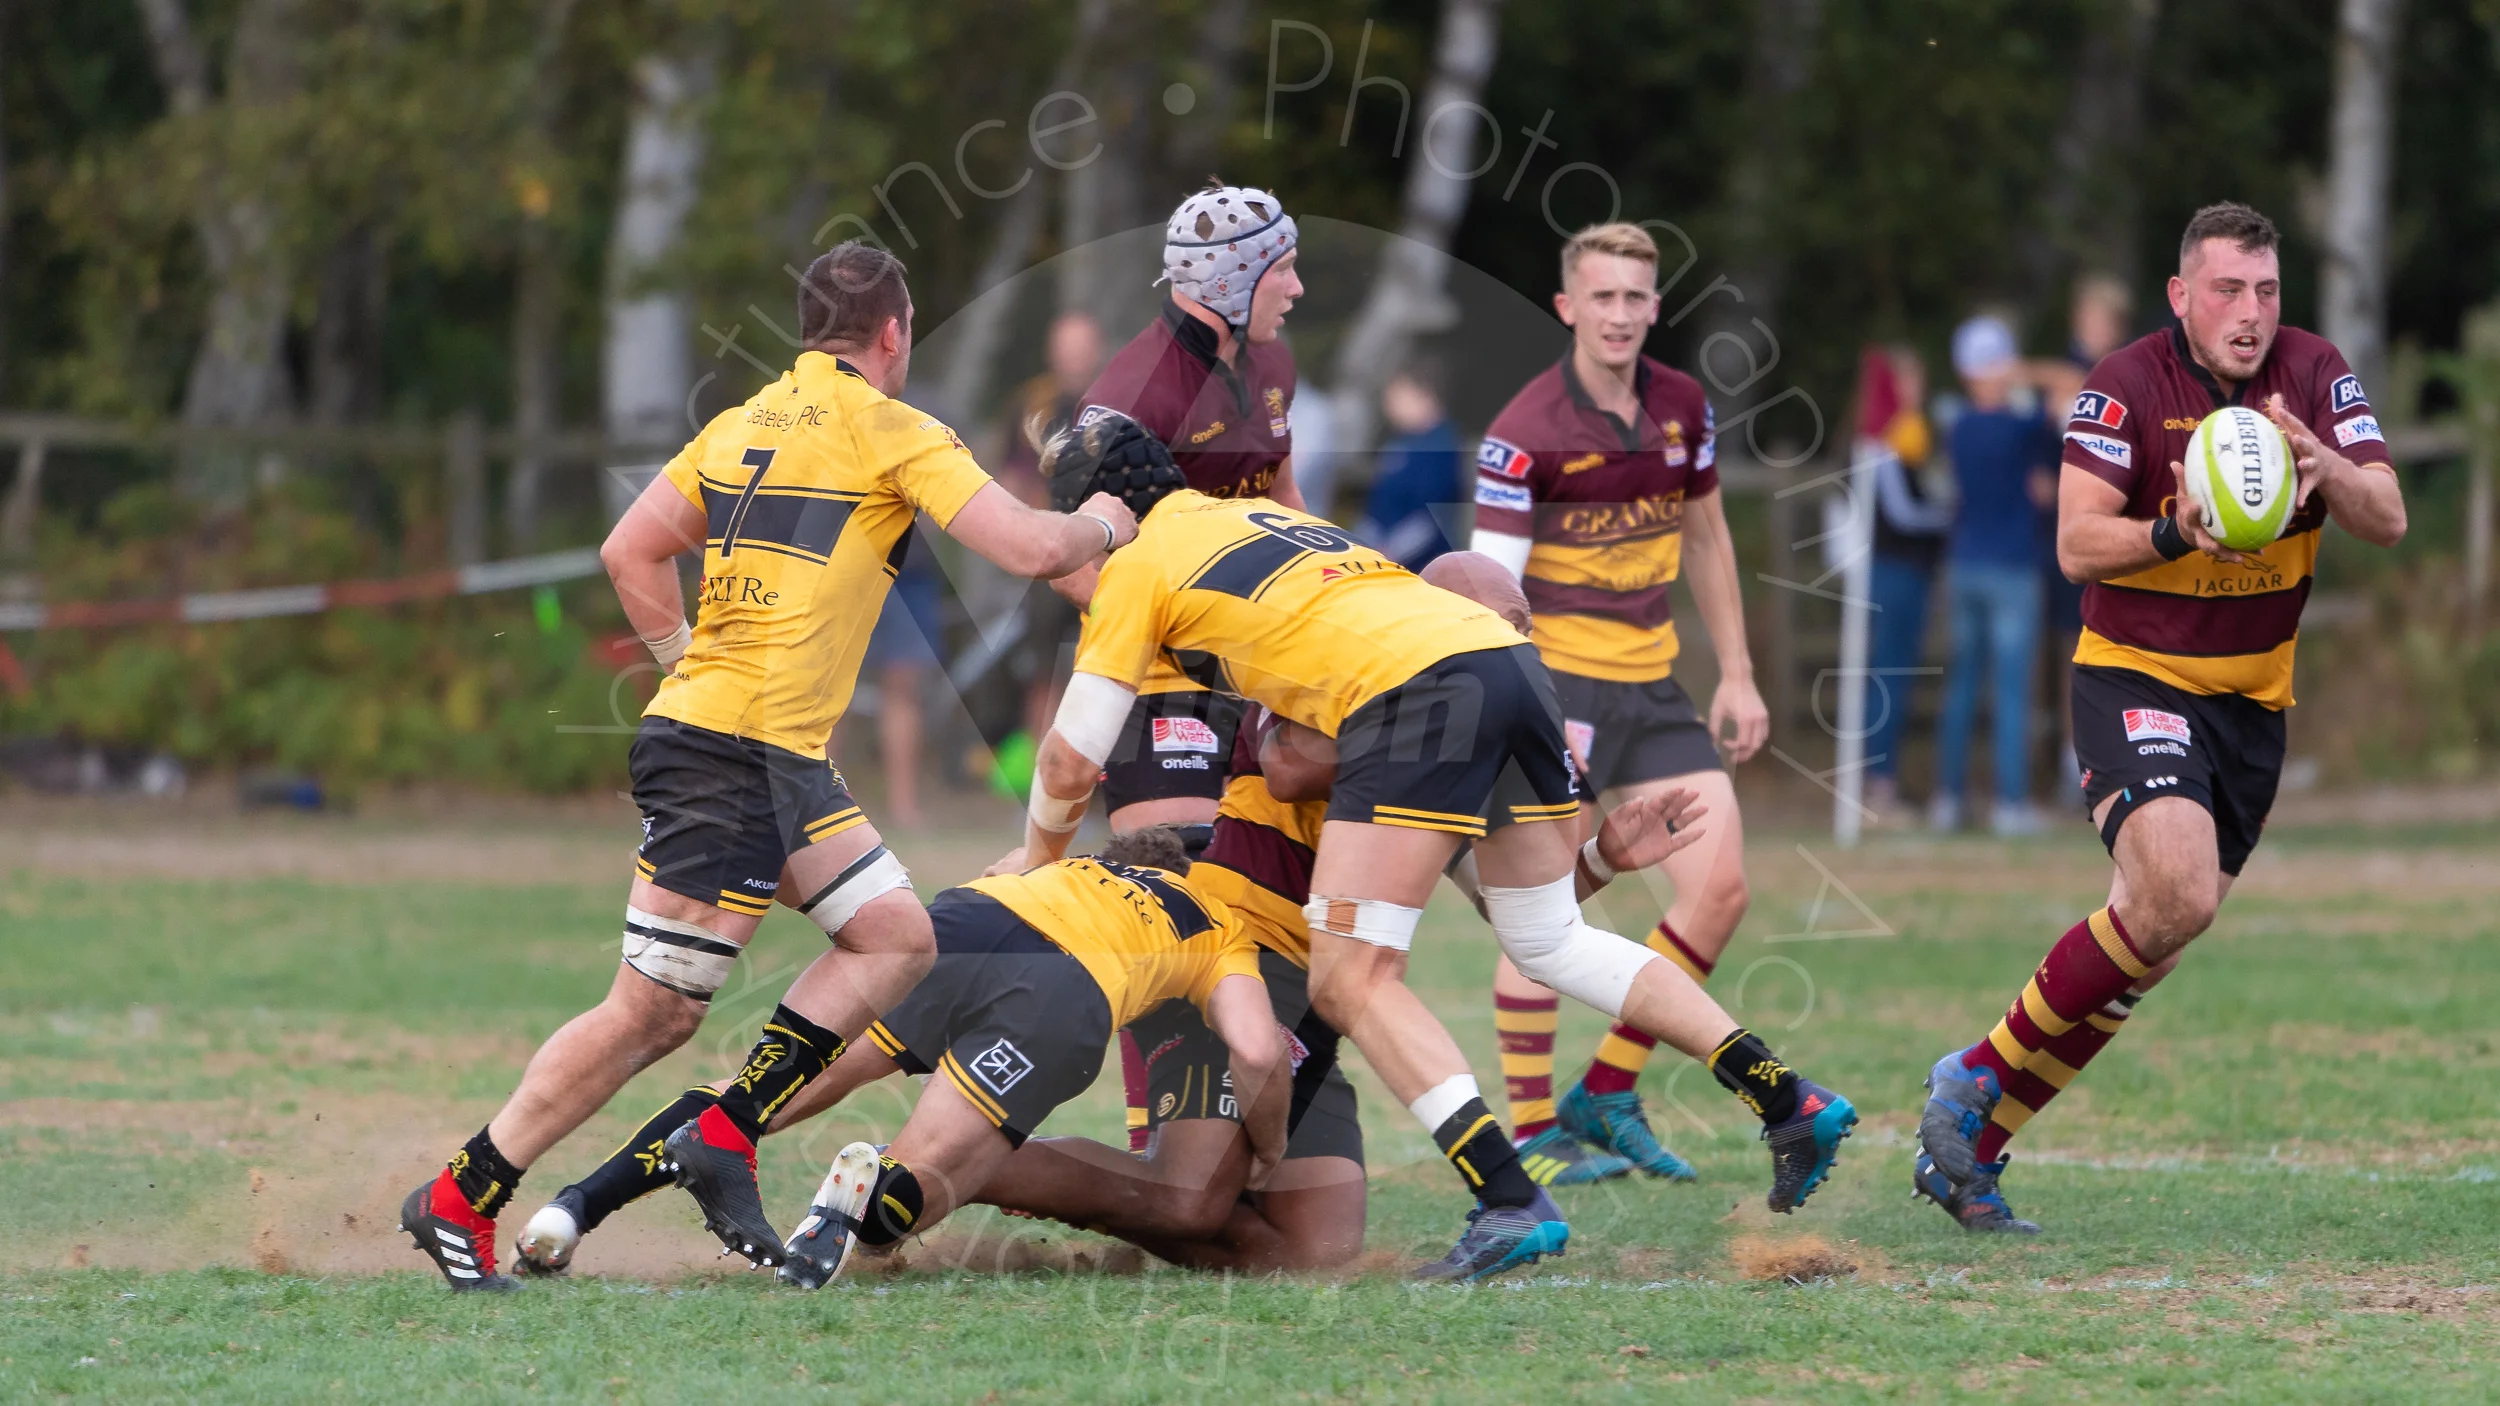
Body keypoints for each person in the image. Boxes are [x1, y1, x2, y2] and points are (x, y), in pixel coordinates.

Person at [398, 242, 1141, 1291]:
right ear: (895, 333)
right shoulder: (892, 428)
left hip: (765, 750)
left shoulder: (740, 421)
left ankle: (725, 1128)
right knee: (652, 1011)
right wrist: (1109, 518)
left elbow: (629, 550)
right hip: (731, 753)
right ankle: (461, 1192)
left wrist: (686, 665)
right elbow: (1029, 547)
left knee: (895, 937)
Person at [1010, 416, 1857, 1280]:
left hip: (1416, 695)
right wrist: (1597, 858)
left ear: (1098, 515)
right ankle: (1784, 1097)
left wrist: (1036, 857)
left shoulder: (1142, 563)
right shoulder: (1268, 525)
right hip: (1510, 671)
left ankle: (1508, 1197)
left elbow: (1074, 757)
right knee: (1550, 938)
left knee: (1350, 978)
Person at [1914, 202, 2405, 1233]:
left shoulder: (2316, 372)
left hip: (2252, 705)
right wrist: (2172, 531)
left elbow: (2388, 516)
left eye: (2266, 290)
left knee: (2154, 943)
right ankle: (1975, 1070)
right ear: (2182, 295)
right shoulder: (2124, 383)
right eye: (2228, 290)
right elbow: (2076, 545)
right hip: (2134, 678)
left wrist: (2326, 463)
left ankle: (1971, 1156)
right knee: (2175, 894)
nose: (2251, 312)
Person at [1467, 222, 1769, 1189]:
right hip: (1559, 691)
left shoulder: (1682, 406)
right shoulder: (1524, 430)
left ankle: (1604, 1089)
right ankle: (1531, 1134)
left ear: (1654, 306)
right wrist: (1520, 704)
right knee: (1547, 904)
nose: (1621, 314)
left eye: (1637, 296)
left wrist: (1737, 672)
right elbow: (1487, 590)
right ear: (1567, 307)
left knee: (1720, 890)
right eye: (1602, 296)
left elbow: (1709, 539)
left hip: (1655, 688)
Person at [768, 826, 1287, 1287]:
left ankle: (723, 1130)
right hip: (1063, 985)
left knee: (779, 1083)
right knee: (935, 1173)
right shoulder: (1216, 921)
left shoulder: (1066, 867)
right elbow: (1259, 1053)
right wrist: (1270, 1148)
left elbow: (996, 873)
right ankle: (878, 1205)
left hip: (961, 922)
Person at [1072, 181, 1306, 1148]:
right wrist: (1176, 633)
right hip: (1160, 674)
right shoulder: (1132, 394)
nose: (1297, 286)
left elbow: (1281, 495)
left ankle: (1237, 1125)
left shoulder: (1271, 360)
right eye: (1283, 268)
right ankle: (1152, 1143)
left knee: (1260, 891)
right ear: (1235, 280)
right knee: (1165, 888)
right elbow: (1073, 560)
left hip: (1256, 665)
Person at [1929, 314, 2059, 836]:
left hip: (1964, 566)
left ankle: (1949, 798)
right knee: (2010, 690)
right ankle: (2009, 802)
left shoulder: (1957, 428)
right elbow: (2073, 385)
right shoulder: (2019, 428)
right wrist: (2026, 371)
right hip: (2012, 569)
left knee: (1962, 687)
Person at [1858, 345, 1951, 823]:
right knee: (1887, 676)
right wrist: (1953, 515)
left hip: (1913, 575)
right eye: (1907, 380)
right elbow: (1904, 514)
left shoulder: (1913, 438)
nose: (1917, 390)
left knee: (1896, 675)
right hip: (1891, 574)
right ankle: (1878, 785)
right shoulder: (1880, 444)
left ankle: (1884, 780)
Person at [1354, 360, 1465, 570]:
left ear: (1425, 396)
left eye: (1398, 396)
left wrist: (1387, 556)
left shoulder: (1441, 449)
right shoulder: (1402, 442)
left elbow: (1430, 520)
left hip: (1418, 567)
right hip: (1379, 555)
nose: (1389, 405)